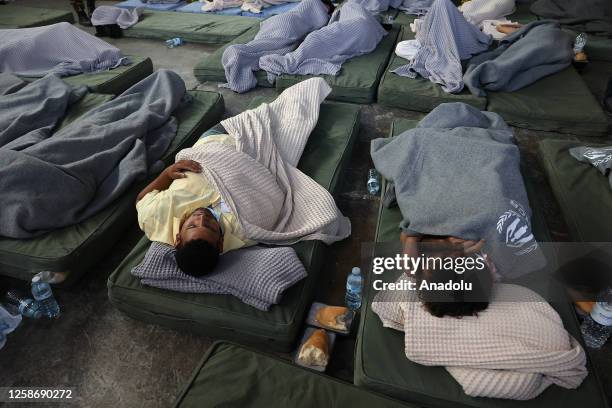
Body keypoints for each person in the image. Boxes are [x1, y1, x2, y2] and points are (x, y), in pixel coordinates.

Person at [136, 128, 255, 277]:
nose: (201, 217)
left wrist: (167, 173)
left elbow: (141, 199)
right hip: (249, 150)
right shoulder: (245, 231)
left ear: (178, 239)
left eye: (191, 225)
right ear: (220, 243)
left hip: (212, 139)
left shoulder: (154, 217)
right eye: (210, 227)